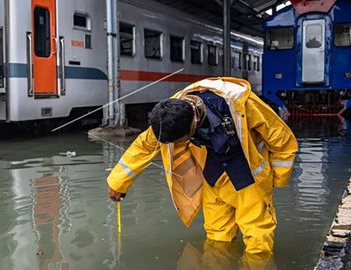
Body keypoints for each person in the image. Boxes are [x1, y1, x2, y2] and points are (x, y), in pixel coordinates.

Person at [106, 77, 298, 254]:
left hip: (248, 177)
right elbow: (144, 145)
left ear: (188, 132)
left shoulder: (238, 101)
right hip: (213, 177)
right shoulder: (171, 112)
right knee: (217, 238)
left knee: (258, 240)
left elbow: (279, 136)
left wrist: (278, 178)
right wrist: (118, 183)